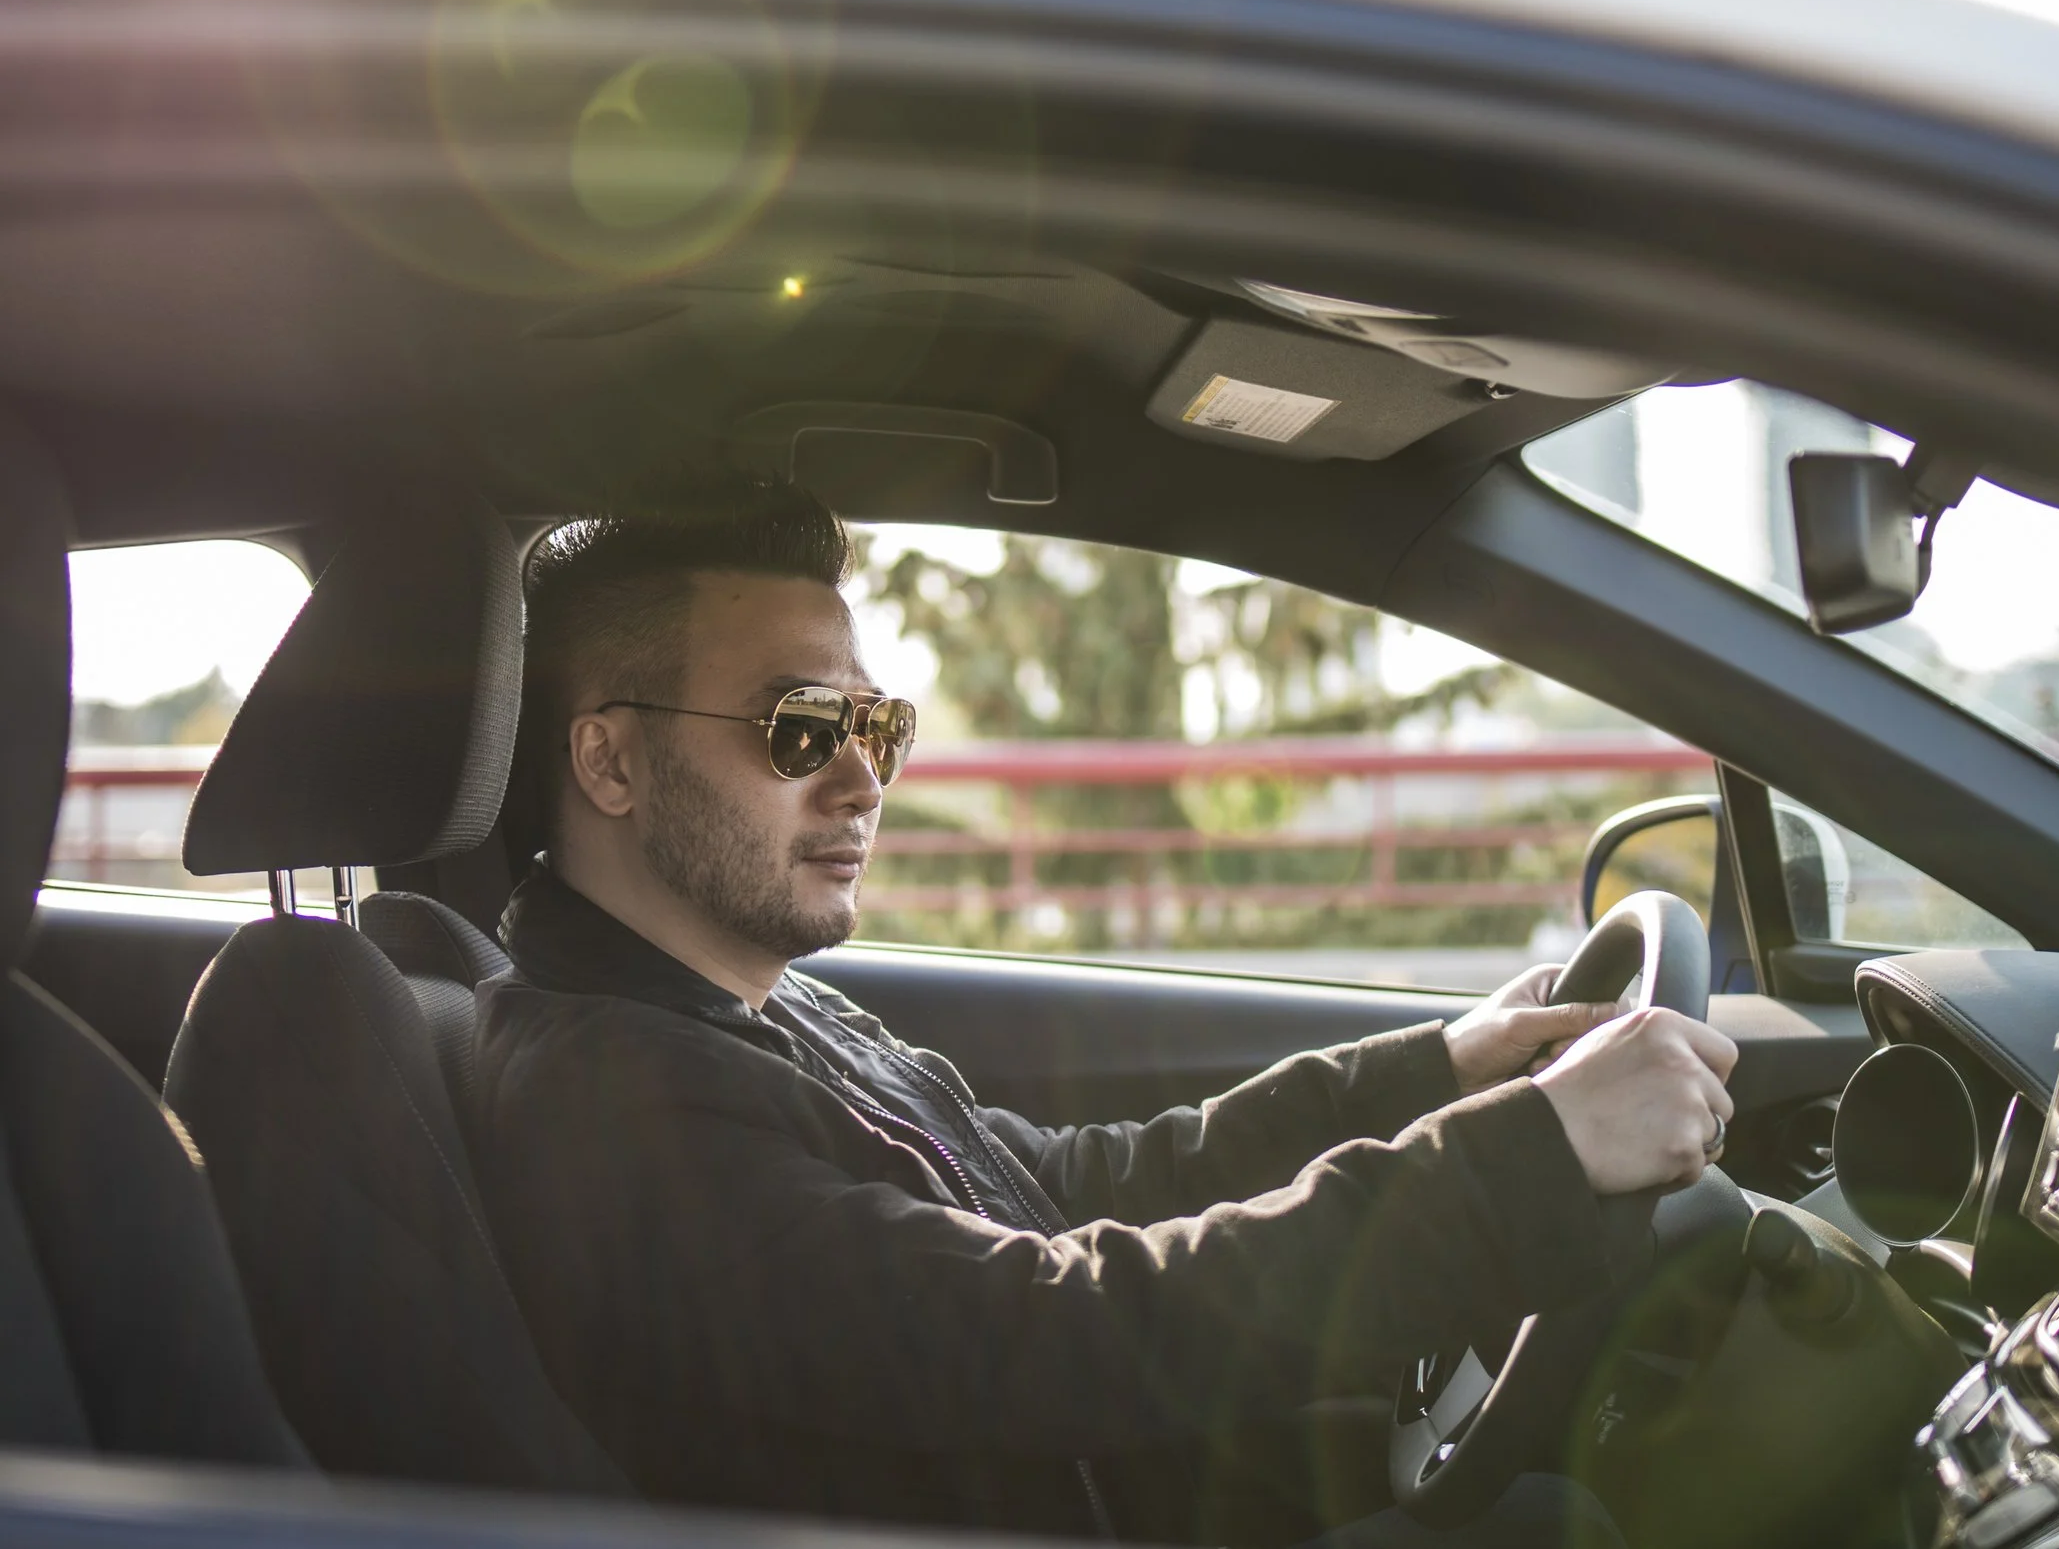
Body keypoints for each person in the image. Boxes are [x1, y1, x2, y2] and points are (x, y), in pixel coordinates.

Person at [474, 486, 1739, 1544]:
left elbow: (1073, 1186)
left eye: (874, 723)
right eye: (801, 726)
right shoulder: (616, 1105)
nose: (862, 776)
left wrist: (1440, 1070)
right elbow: (1043, 1335)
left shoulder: (756, 1006)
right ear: (611, 763)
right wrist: (1526, 1159)